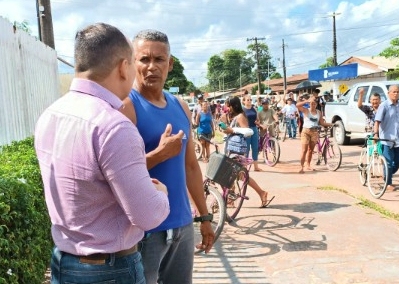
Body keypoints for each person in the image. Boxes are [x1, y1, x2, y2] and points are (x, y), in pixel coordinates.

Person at [34, 23, 170, 284]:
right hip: (111, 269)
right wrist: (160, 194)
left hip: (64, 263)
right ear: (122, 67)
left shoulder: (50, 115)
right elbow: (148, 215)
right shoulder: (114, 126)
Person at [121, 29, 214, 284]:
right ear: (132, 62)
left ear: (169, 64)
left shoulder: (180, 106)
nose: (152, 67)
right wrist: (159, 155)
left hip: (182, 224)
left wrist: (204, 218)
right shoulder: (126, 107)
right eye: (144, 59)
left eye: (159, 59)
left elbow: (191, 167)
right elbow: (117, 174)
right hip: (145, 230)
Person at [219, 96, 275, 207]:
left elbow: (247, 132)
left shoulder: (240, 116)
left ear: (234, 105)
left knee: (234, 175)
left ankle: (259, 193)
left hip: (238, 150)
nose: (227, 108)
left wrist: (232, 130)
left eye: (228, 106)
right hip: (231, 149)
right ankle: (233, 199)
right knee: (238, 175)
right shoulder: (233, 116)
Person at [373, 85, 399, 192]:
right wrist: (375, 134)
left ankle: (386, 174)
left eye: (397, 92)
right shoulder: (384, 106)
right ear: (388, 93)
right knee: (388, 162)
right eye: (393, 92)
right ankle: (388, 183)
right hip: (387, 139)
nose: (395, 94)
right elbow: (377, 121)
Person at [296, 95, 333, 173]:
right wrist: (307, 101)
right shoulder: (306, 110)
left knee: (310, 150)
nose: (313, 105)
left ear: (316, 104)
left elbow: (322, 122)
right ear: (309, 104)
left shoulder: (319, 112)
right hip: (306, 131)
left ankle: (308, 165)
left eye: (314, 104)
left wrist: (331, 124)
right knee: (304, 150)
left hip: (314, 132)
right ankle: (301, 167)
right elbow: (297, 105)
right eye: (311, 103)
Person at [242, 94, 263, 171]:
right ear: (244, 101)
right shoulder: (242, 110)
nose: (250, 101)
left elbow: (257, 119)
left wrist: (258, 122)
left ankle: (256, 167)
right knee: (246, 149)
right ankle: (245, 167)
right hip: (246, 130)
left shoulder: (254, 109)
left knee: (255, 148)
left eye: (250, 100)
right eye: (248, 100)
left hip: (254, 129)